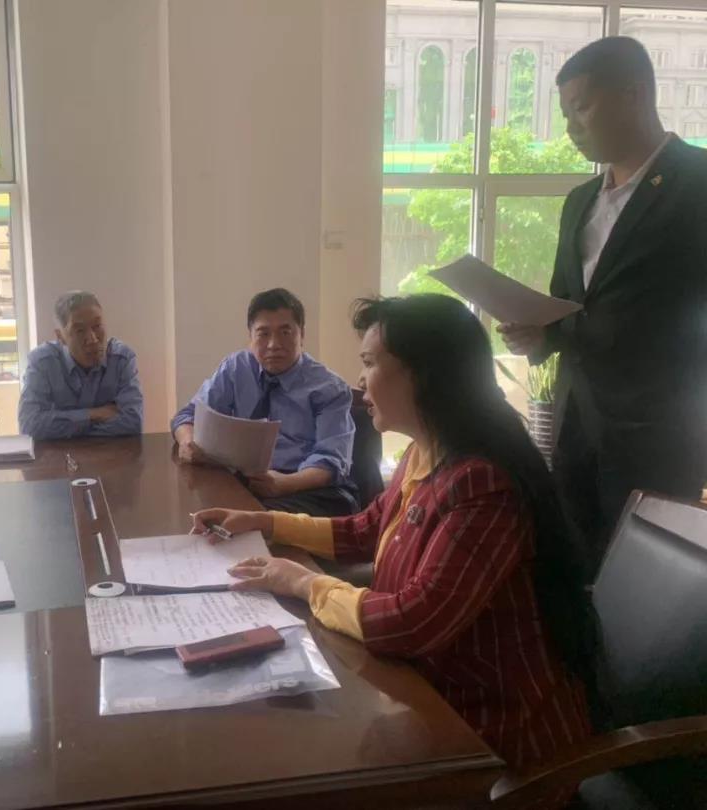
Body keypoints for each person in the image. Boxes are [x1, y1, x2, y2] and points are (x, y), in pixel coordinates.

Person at [193, 296, 594, 795]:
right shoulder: (425, 455)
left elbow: (413, 622)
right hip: (430, 698)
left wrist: (305, 583)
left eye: (369, 363)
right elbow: (365, 530)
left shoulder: (483, 484)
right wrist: (264, 522)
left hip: (501, 748)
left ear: (424, 375)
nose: (360, 381)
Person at [499, 36, 707, 577]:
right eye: (566, 113)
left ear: (633, 95)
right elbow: (569, 307)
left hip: (659, 432)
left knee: (644, 583)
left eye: (582, 107)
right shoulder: (579, 202)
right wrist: (538, 334)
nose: (571, 126)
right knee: (573, 568)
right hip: (578, 423)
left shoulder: (697, 184)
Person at [171, 288, 357, 517]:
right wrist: (187, 441)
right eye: (263, 334)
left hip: (306, 489)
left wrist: (285, 484)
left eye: (285, 332)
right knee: (193, 510)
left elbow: (332, 462)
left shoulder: (329, 388)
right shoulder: (235, 369)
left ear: (302, 334)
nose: (273, 344)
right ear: (250, 337)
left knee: (241, 522)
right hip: (245, 484)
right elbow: (187, 416)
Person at [18, 291, 143, 440]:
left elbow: (133, 422)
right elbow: (29, 425)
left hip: (111, 453)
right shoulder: (42, 363)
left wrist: (64, 426)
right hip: (59, 454)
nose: (92, 339)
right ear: (60, 337)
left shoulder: (121, 359)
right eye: (79, 331)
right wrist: (92, 414)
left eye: (97, 326)